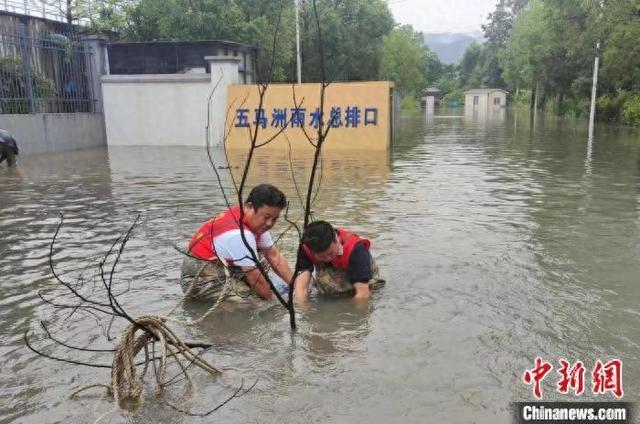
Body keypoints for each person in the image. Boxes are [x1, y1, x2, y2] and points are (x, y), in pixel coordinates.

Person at [180, 184, 293, 303]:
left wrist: (295, 285)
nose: (270, 223)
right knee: (252, 304)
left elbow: (274, 256)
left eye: (274, 219)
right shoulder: (239, 234)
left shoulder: (255, 222)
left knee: (269, 273)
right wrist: (279, 305)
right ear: (249, 206)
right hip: (201, 277)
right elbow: (256, 279)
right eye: (266, 217)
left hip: (229, 268)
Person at [293, 221, 384, 303]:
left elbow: (363, 295)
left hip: (363, 281)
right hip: (333, 283)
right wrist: (305, 311)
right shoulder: (305, 249)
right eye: (322, 256)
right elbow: (301, 290)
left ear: (336, 240)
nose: (328, 258)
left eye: (331, 253)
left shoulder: (356, 249)